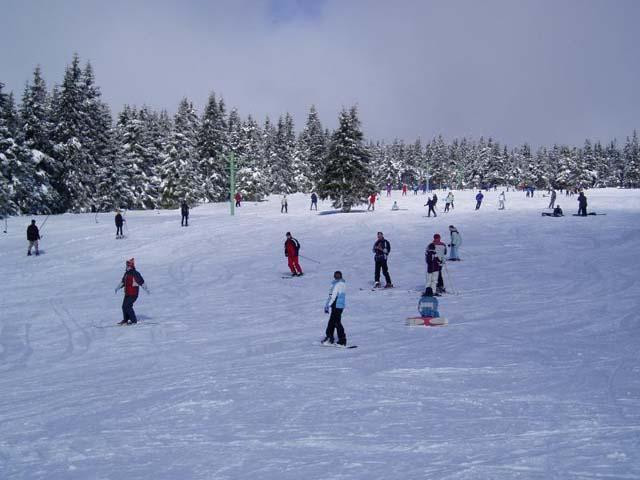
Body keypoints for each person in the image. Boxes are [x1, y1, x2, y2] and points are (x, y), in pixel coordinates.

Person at [115, 258, 148, 325]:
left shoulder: (135, 273)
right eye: (127, 265)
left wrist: (146, 289)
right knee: (124, 306)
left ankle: (134, 321)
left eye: (128, 265)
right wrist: (118, 288)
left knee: (128, 306)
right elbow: (123, 282)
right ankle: (125, 320)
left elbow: (141, 282)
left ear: (131, 265)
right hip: (127, 293)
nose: (127, 266)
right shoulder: (126, 274)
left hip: (133, 294)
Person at [322, 271, 347, 346]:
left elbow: (333, 297)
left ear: (340, 276)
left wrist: (328, 306)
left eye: (338, 275)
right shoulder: (336, 284)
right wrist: (327, 305)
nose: (336, 276)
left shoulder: (338, 284)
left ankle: (342, 340)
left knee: (336, 322)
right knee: (332, 322)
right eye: (336, 275)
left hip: (337, 305)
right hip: (337, 306)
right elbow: (331, 296)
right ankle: (330, 337)